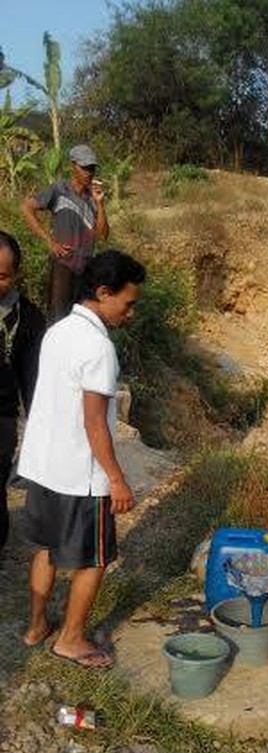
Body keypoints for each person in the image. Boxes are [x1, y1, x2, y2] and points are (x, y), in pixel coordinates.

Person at [18, 250, 145, 662]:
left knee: (46, 548)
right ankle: (70, 639)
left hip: (43, 466)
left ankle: (37, 626)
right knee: (94, 559)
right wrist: (117, 479)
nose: (130, 313)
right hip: (79, 474)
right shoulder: (98, 347)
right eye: (128, 303)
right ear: (104, 292)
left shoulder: (58, 331)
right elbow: (94, 423)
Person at [21, 144, 110, 323]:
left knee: (81, 320)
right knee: (58, 319)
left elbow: (103, 235)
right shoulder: (59, 190)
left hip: (85, 268)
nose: (89, 173)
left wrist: (100, 204)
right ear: (73, 166)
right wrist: (50, 241)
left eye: (92, 168)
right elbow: (27, 207)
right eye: (84, 168)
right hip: (63, 265)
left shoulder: (93, 198)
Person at [0, 232, 46, 553]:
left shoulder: (28, 318)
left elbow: (33, 382)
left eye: (2, 276)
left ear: (17, 275)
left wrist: (38, 434)